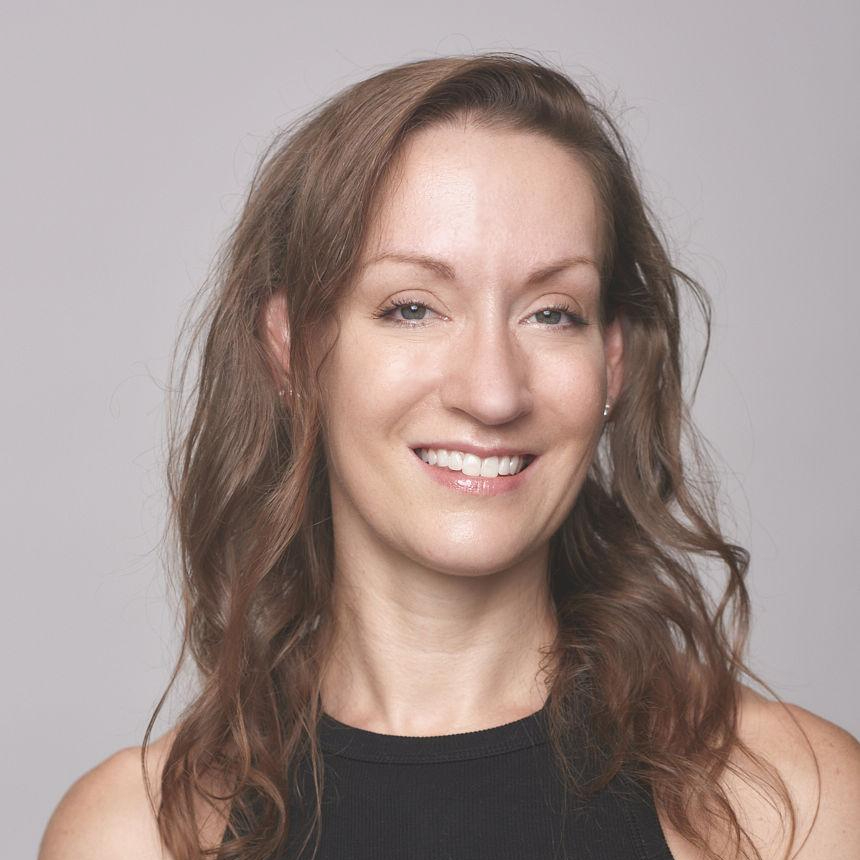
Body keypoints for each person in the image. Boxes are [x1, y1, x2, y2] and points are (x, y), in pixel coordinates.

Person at [39, 52, 860, 860]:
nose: (494, 392)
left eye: (551, 313)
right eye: (412, 309)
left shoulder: (794, 806)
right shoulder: (136, 836)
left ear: (611, 362)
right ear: (290, 352)